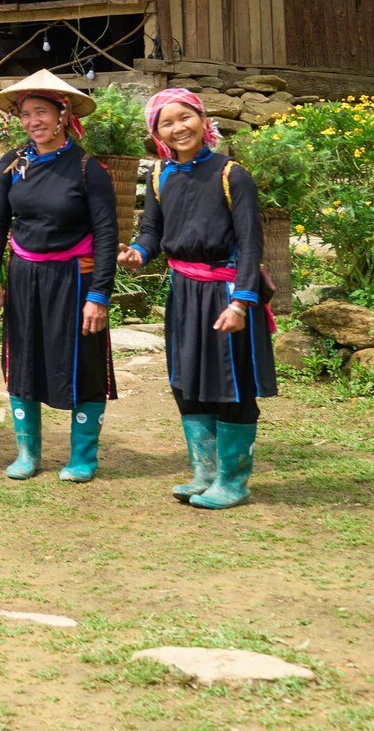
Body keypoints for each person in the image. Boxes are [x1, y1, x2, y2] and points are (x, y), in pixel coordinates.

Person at [119, 88, 277, 510]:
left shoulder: (231, 175)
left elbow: (250, 243)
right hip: (184, 292)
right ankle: (204, 473)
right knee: (186, 380)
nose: (178, 128)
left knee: (233, 384)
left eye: (184, 117)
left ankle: (233, 481)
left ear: (202, 119)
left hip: (227, 293)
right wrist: (139, 251)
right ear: (158, 132)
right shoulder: (160, 175)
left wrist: (241, 303)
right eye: (166, 123)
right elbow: (152, 230)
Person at [0, 70, 119, 483]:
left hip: (75, 278)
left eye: (41, 111)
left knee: (83, 362)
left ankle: (82, 456)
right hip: (24, 277)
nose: (33, 121)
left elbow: (107, 234)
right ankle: (27, 453)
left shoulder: (87, 169)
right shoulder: (13, 164)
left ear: (63, 114)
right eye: (25, 114)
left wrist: (100, 295)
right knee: (22, 359)